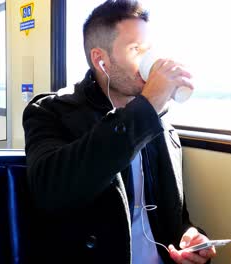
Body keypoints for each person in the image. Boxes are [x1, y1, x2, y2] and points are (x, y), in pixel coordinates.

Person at [22, 0, 216, 263]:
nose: (149, 60)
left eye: (149, 49)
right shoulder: (51, 112)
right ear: (101, 60)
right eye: (136, 49)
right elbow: (52, 191)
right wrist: (147, 106)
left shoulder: (162, 127)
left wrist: (190, 237)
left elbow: (176, 219)